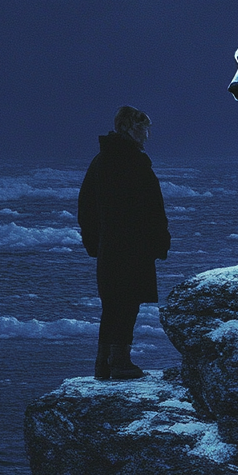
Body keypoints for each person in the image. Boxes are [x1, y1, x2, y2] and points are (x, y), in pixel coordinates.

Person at [78, 106, 171, 381]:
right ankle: (119, 362)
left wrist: (95, 242)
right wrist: (159, 241)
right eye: (143, 128)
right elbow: (153, 208)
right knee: (127, 303)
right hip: (133, 246)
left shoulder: (101, 161)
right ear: (131, 128)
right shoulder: (134, 162)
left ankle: (104, 363)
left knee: (113, 304)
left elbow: (86, 208)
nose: (147, 134)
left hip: (111, 247)